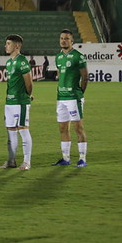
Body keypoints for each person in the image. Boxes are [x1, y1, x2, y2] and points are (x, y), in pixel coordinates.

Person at [53, 29, 88, 167]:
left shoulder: (78, 56)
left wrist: (79, 93)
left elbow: (85, 77)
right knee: (63, 128)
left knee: (78, 128)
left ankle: (82, 159)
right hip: (61, 98)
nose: (63, 40)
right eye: (61, 38)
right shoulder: (58, 57)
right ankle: (65, 158)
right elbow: (60, 75)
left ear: (72, 41)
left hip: (74, 98)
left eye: (66, 38)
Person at [0, 34, 33, 170]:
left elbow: (29, 83)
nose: (5, 46)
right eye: (6, 43)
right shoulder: (9, 62)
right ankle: (11, 161)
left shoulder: (22, 60)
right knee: (11, 131)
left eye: (8, 43)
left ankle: (26, 162)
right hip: (9, 102)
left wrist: (27, 96)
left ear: (17, 45)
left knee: (23, 130)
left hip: (20, 102)